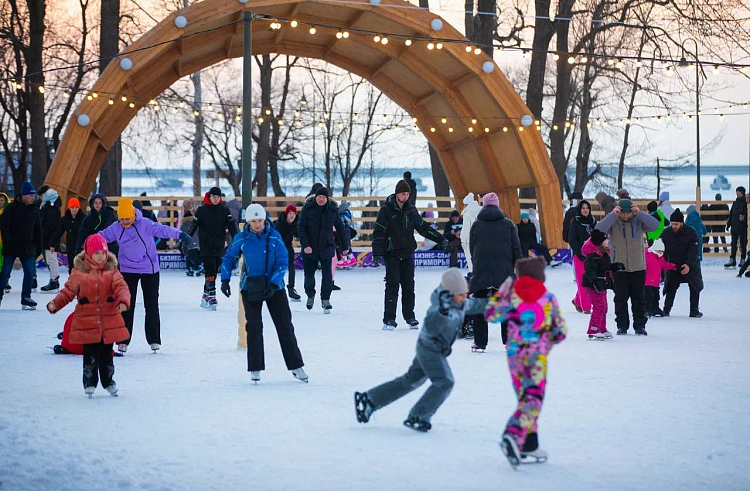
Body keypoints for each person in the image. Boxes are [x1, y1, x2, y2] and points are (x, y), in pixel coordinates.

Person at [354, 268, 488, 432]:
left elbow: (477, 305)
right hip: (430, 349)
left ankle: (370, 400)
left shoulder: (459, 303)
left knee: (410, 380)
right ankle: (419, 415)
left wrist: (503, 302)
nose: (464, 298)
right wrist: (442, 313)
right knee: (445, 382)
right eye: (460, 295)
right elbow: (431, 326)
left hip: (430, 348)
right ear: (449, 292)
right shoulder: (438, 307)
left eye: (465, 294)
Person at [485, 257, 567, 468]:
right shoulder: (548, 298)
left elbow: (490, 315)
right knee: (533, 400)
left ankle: (529, 444)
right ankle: (512, 434)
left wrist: (501, 291)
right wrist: (545, 343)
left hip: (514, 357)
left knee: (525, 398)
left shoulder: (511, 297)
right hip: (536, 357)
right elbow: (560, 331)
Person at [220, 203, 307, 384]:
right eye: (254, 221)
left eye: (260, 220)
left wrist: (275, 283)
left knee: (284, 325)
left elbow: (282, 262)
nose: (258, 224)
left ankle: (296, 365)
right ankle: (256, 367)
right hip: (250, 287)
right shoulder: (241, 238)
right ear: (248, 222)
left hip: (275, 288)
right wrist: (225, 279)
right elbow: (228, 257)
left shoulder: (274, 237)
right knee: (254, 327)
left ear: (264, 219)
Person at [99, 198, 188, 353]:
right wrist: (90, 243)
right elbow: (101, 237)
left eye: (127, 219)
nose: (125, 222)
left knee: (151, 304)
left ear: (133, 214)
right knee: (126, 305)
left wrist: (181, 234)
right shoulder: (116, 227)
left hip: (149, 268)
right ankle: (122, 340)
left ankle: (154, 340)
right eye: (122, 219)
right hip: (127, 269)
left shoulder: (145, 223)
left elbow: (163, 230)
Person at [46, 235, 130, 398]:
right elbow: (68, 292)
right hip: (88, 321)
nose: (100, 256)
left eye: (103, 253)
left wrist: (123, 301)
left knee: (106, 356)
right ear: (89, 254)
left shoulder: (112, 271)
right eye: (96, 253)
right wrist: (56, 303)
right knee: (90, 356)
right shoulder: (79, 273)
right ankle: (89, 382)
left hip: (108, 321)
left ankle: (109, 382)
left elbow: (122, 287)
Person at [372, 180, 447, 330]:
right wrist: (377, 252)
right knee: (392, 285)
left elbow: (423, 228)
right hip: (392, 253)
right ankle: (389, 319)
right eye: (402, 194)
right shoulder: (386, 210)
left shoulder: (411, 210)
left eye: (407, 194)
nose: (405, 197)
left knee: (408, 286)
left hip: (407, 253)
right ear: (396, 194)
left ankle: (410, 316)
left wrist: (441, 239)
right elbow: (379, 232)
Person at [595, 198, 659, 335]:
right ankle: (622, 325)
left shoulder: (638, 220)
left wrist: (640, 213)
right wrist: (612, 215)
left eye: (628, 213)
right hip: (619, 267)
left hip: (638, 266)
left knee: (638, 298)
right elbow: (598, 230)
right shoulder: (613, 221)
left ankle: (640, 326)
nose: (625, 215)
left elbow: (655, 226)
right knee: (620, 298)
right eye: (623, 213)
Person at [468, 192, 522, 350]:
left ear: (484, 205)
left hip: (481, 270)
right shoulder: (508, 224)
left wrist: (476, 264)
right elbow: (516, 248)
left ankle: (480, 342)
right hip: (503, 271)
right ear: (498, 205)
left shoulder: (476, 224)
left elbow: (472, 247)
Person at [297, 186, 349, 313]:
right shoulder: (307, 209)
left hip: (326, 246)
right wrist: (305, 245)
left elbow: (341, 228)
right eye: (319, 197)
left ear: (327, 198)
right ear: (316, 197)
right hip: (310, 248)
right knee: (309, 275)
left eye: (323, 197)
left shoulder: (332, 210)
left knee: (327, 275)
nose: (321, 199)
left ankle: (325, 299)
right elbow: (300, 228)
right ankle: (310, 294)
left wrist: (345, 246)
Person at [186, 187, 239, 310]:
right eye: (214, 197)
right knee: (210, 270)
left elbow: (232, 227)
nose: (216, 199)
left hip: (219, 245)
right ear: (209, 197)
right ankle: (212, 296)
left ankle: (205, 297)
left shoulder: (225, 211)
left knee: (214, 271)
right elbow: (193, 226)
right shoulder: (201, 211)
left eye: (218, 197)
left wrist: (238, 239)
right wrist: (185, 239)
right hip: (206, 245)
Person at [0, 182, 42, 310]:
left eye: (34, 195)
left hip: (28, 247)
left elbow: (38, 230)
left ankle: (26, 297)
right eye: (30, 195)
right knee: (5, 272)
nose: (33, 197)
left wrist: (37, 246)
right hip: (11, 247)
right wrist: (7, 242)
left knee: (29, 272)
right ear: (24, 195)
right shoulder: (11, 208)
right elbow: (4, 225)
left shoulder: (34, 209)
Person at [662, 209, 704, 318]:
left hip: (690, 265)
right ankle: (666, 309)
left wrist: (689, 265)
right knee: (671, 287)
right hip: (673, 265)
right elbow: (661, 249)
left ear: (682, 223)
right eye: (672, 224)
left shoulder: (691, 233)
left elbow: (694, 250)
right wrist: (663, 263)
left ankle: (694, 310)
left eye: (676, 224)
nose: (674, 226)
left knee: (694, 286)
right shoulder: (666, 233)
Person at [581, 229, 616, 339]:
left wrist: (615, 267)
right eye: (606, 240)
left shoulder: (603, 254)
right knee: (599, 307)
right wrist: (594, 281)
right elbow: (589, 271)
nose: (608, 241)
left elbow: (606, 267)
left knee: (604, 307)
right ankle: (594, 329)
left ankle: (602, 328)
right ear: (600, 242)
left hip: (601, 284)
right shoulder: (593, 257)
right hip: (593, 286)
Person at [567, 199, 597, 314]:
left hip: (592, 256)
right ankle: (586, 307)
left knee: (590, 281)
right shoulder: (575, 222)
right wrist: (580, 252)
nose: (585, 210)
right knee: (582, 281)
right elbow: (572, 239)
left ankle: (577, 301)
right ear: (580, 210)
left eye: (587, 208)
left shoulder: (593, 222)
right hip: (579, 256)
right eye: (583, 208)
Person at [274, 204, 301, 301]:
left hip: (288, 246)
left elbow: (299, 234)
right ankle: (278, 287)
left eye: (294, 213)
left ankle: (291, 288)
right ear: (286, 214)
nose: (292, 215)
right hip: (279, 247)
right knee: (278, 268)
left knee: (291, 268)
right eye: (290, 213)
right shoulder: (279, 223)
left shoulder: (296, 223)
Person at [54, 198, 87, 275]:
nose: (75, 209)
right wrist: (53, 244)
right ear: (69, 208)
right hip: (71, 246)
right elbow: (58, 232)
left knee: (82, 267)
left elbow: (88, 232)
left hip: (81, 246)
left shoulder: (84, 218)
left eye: (76, 207)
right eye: (73, 207)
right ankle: (72, 283)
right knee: (72, 267)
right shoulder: (66, 219)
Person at [39, 188, 62, 293]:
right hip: (49, 238)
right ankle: (53, 280)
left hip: (50, 239)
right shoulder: (50, 206)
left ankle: (54, 281)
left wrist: (50, 239)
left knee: (51, 260)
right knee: (50, 259)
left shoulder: (52, 207)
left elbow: (51, 225)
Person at [644, 239, 675, 317]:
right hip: (647, 282)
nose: (660, 253)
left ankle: (655, 308)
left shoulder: (660, 258)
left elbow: (664, 265)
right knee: (648, 296)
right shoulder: (647, 256)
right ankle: (647, 309)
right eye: (659, 251)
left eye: (662, 251)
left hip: (655, 282)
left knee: (656, 296)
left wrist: (673, 266)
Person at [725, 186, 747, 268]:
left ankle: (743, 258)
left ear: (742, 193)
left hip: (742, 227)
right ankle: (732, 259)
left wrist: (744, 217)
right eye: (737, 192)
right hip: (734, 226)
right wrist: (728, 224)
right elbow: (731, 214)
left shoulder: (745, 203)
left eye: (738, 192)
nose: (737, 194)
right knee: (733, 243)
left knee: (743, 243)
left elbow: (746, 214)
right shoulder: (735, 203)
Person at [460, 193, 481, 272]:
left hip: (470, 240)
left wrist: (463, 240)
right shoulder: (481, 210)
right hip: (482, 238)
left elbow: (466, 228)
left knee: (471, 260)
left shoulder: (467, 213)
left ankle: (473, 276)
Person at [0, 191, 8, 287]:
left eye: (2, 200)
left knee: (5, 263)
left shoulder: (8, 211)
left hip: (5, 242)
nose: (0, 202)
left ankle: (5, 280)